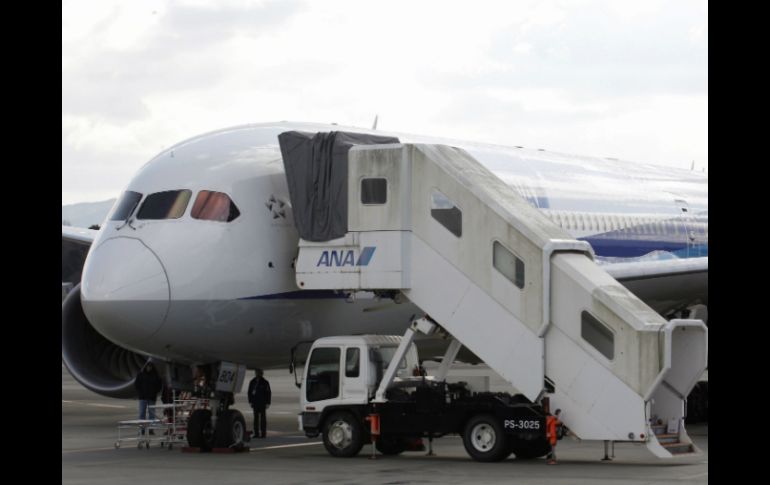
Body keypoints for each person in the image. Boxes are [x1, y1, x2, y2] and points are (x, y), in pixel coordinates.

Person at [134, 362, 163, 434]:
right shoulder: (141, 375)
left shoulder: (156, 376)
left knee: (152, 414)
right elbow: (136, 385)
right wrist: (141, 392)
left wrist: (154, 392)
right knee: (141, 414)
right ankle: (142, 429)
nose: (149, 368)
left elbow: (159, 386)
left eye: (150, 367)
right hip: (143, 398)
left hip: (152, 398)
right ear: (145, 367)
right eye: (147, 367)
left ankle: (151, 429)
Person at [247, 369, 271, 439]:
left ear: (262, 374)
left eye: (259, 373)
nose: (258, 374)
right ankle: (256, 433)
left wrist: (268, 402)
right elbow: (249, 392)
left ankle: (263, 433)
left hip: (262, 403)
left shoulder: (265, 382)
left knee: (263, 419)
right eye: (257, 373)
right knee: (256, 419)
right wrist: (250, 401)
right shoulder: (252, 382)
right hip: (255, 402)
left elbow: (268, 393)